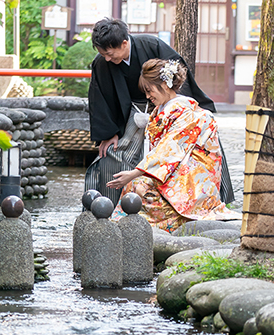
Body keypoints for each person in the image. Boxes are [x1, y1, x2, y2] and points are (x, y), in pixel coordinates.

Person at [85, 18, 233, 205]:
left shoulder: (152, 45)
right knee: (113, 154)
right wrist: (108, 133)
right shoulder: (102, 63)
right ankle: (111, 205)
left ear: (123, 43)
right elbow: (99, 97)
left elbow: (177, 79)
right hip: (130, 111)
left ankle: (216, 200)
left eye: (109, 53)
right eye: (103, 54)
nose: (107, 59)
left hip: (168, 106)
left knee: (199, 146)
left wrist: (175, 109)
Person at [107, 58, 239, 233]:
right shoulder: (162, 109)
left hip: (191, 175)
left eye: (149, 90)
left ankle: (158, 225)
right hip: (174, 168)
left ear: (165, 84)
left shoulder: (186, 113)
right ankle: (132, 226)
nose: (147, 96)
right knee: (136, 186)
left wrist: (134, 173)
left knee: (141, 188)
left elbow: (168, 150)